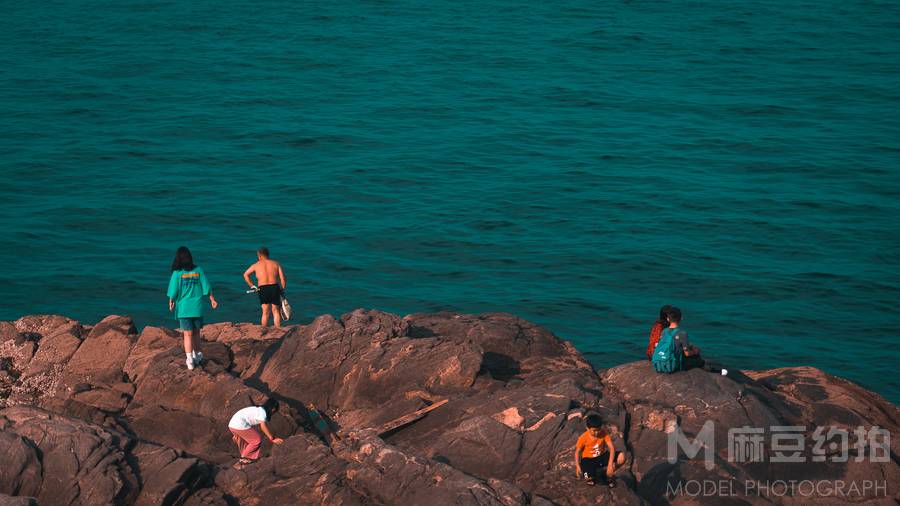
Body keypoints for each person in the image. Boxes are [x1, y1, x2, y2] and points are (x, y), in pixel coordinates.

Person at [167, 246, 217, 370]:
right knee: (196, 332)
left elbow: (173, 290)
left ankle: (190, 359)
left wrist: (171, 301)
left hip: (184, 308)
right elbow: (206, 286)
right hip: (197, 307)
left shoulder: (177, 273)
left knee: (187, 334)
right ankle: (198, 355)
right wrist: (212, 299)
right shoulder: (198, 270)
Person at [654, 306, 727, 375]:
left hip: (659, 363)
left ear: (668, 319)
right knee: (697, 359)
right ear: (681, 318)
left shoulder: (664, 331)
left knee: (692, 351)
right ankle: (713, 371)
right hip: (672, 365)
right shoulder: (682, 333)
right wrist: (695, 352)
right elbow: (687, 354)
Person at [228, 398, 285, 469]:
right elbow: (263, 426)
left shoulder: (258, 409)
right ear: (273, 409)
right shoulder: (263, 413)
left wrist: (237, 433)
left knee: (249, 440)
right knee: (256, 440)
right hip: (239, 424)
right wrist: (272, 438)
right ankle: (244, 459)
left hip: (232, 424)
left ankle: (245, 459)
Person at [575, 414, 626, 487]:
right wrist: (577, 467)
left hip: (601, 457)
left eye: (598, 430)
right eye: (594, 431)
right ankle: (588, 470)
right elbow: (577, 452)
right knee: (589, 479)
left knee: (622, 457)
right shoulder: (583, 438)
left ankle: (606, 475)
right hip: (588, 460)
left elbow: (611, 448)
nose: (597, 432)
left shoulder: (603, 433)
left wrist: (610, 466)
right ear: (587, 428)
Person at [243, 247, 287, 327]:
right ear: (268, 255)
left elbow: (245, 275)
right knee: (276, 311)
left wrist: (252, 286)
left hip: (263, 289)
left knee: (265, 312)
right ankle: (278, 330)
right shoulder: (276, 264)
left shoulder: (255, 265)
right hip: (274, 287)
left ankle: (263, 331)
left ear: (259, 256)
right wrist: (282, 289)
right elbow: (283, 278)